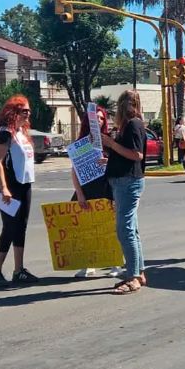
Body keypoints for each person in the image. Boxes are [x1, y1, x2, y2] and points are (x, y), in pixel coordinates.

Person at [0, 95, 38, 287]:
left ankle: (19, 270)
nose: (28, 114)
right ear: (13, 112)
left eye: (29, 111)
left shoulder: (21, 132)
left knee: (21, 227)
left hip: (24, 184)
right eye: (24, 110)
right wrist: (4, 189)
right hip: (7, 188)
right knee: (9, 227)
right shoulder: (5, 133)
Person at [101, 90, 147, 295]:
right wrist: (110, 157)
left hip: (128, 181)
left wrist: (111, 144)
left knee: (125, 229)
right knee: (132, 230)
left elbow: (136, 154)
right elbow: (126, 153)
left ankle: (133, 276)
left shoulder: (133, 124)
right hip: (124, 180)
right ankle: (139, 272)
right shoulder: (127, 126)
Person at [70, 105, 122, 279]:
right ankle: (88, 264)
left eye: (101, 118)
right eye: (95, 118)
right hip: (87, 188)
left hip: (106, 188)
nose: (98, 121)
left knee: (109, 226)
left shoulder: (109, 140)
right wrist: (79, 193)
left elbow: (119, 164)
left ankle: (115, 263)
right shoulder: (81, 143)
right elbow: (75, 170)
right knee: (86, 228)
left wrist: (107, 161)